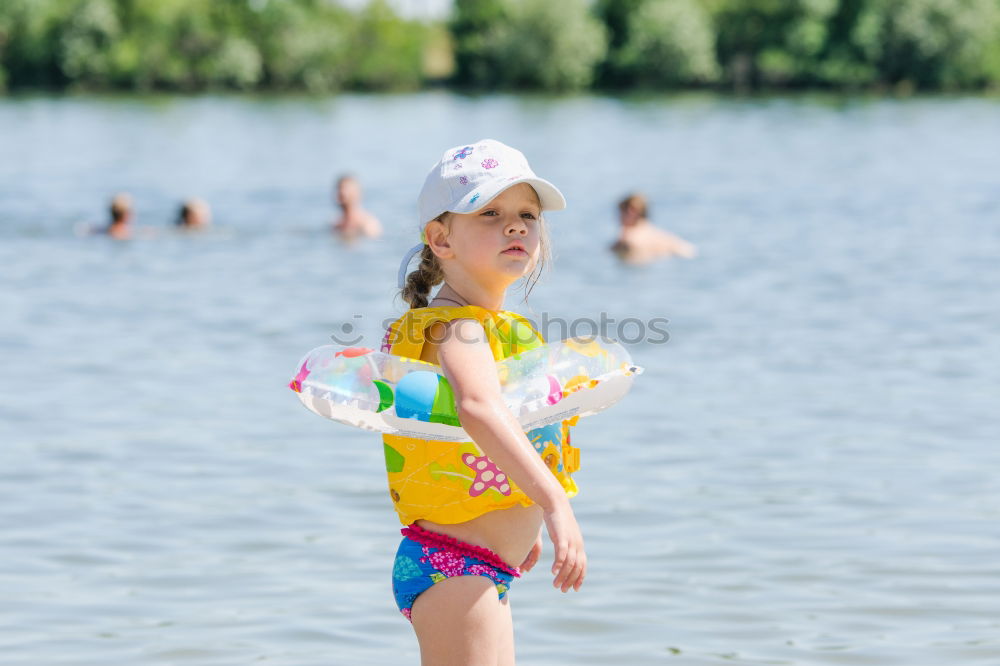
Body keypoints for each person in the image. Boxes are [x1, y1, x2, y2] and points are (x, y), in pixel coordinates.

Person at [383, 139, 585, 664]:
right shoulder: (457, 327)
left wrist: (519, 515)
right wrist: (552, 503)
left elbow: (497, 429)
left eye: (527, 214)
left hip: (479, 564)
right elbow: (476, 407)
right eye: (490, 213)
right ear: (440, 239)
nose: (515, 226)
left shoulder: (494, 328)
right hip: (454, 566)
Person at [611, 192, 696, 263]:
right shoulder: (652, 231)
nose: (619, 216)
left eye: (622, 211)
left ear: (632, 212)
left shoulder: (630, 236)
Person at [332, 174, 381, 239]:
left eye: (344, 189)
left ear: (356, 193)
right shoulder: (336, 225)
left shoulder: (367, 224)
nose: (341, 192)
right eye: (339, 189)